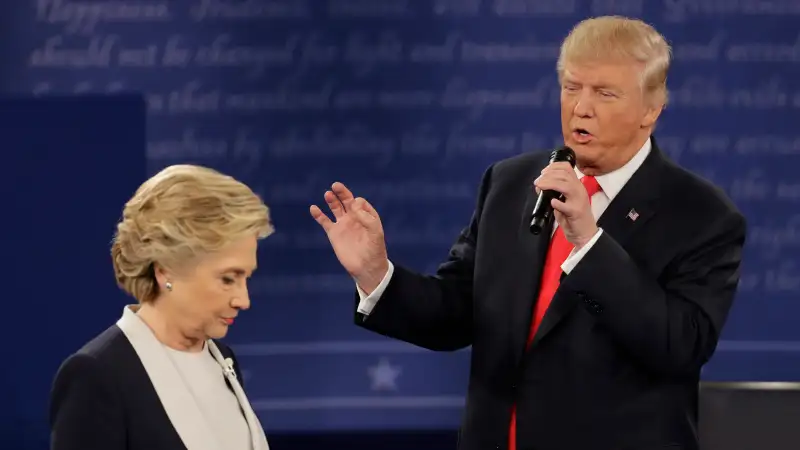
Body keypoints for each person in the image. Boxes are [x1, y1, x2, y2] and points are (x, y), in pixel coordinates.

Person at [310, 16, 747, 450]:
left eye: (604, 93)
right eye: (571, 87)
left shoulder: (702, 215)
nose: (581, 107)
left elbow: (679, 346)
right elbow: (457, 311)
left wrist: (589, 244)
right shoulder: (512, 184)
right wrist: (376, 274)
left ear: (651, 109)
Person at [49, 165, 274, 450]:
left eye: (246, 278)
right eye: (228, 279)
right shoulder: (97, 375)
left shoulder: (222, 359)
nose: (244, 300)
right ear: (165, 270)